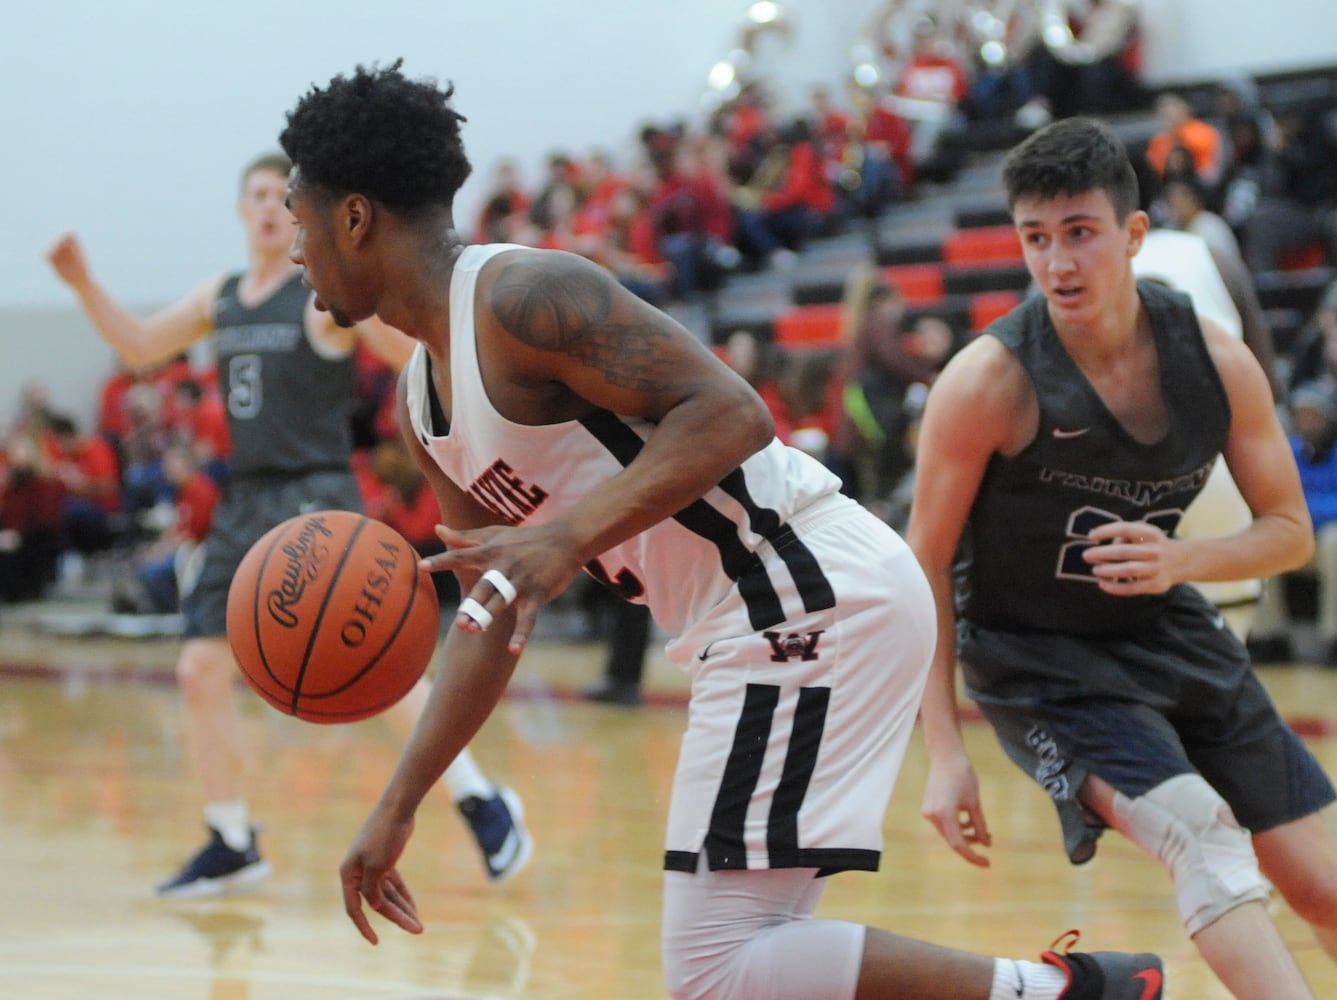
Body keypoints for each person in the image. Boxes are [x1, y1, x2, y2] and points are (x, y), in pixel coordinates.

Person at [279, 60, 1164, 1000]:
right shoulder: (424, 404)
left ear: (355, 217)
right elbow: (489, 614)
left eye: (299, 217)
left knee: (715, 967)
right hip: (764, 614)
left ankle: (1065, 994)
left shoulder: (520, 298)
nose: (296, 247)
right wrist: (400, 803)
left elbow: (731, 411)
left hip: (804, 589)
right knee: (752, 960)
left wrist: (567, 535)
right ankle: (1077, 991)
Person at [907, 116, 1337, 1000]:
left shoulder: (1215, 360)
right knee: (1200, 836)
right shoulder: (986, 382)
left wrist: (1181, 562)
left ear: (1132, 234)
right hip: (1036, 660)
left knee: (1324, 885)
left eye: (1079, 234)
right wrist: (943, 748)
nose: (1057, 263)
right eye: (1036, 239)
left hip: (1166, 627)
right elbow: (923, 570)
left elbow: (1288, 530)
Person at [45, 151, 531, 897]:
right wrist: (82, 283)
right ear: (242, 208)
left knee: (373, 668)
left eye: (283, 196)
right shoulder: (224, 295)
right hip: (244, 500)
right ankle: (231, 838)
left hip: (313, 499)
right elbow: (141, 347)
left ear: (300, 212)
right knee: (200, 669)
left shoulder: (321, 298)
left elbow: (416, 359)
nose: (271, 207)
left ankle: (481, 800)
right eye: (258, 195)